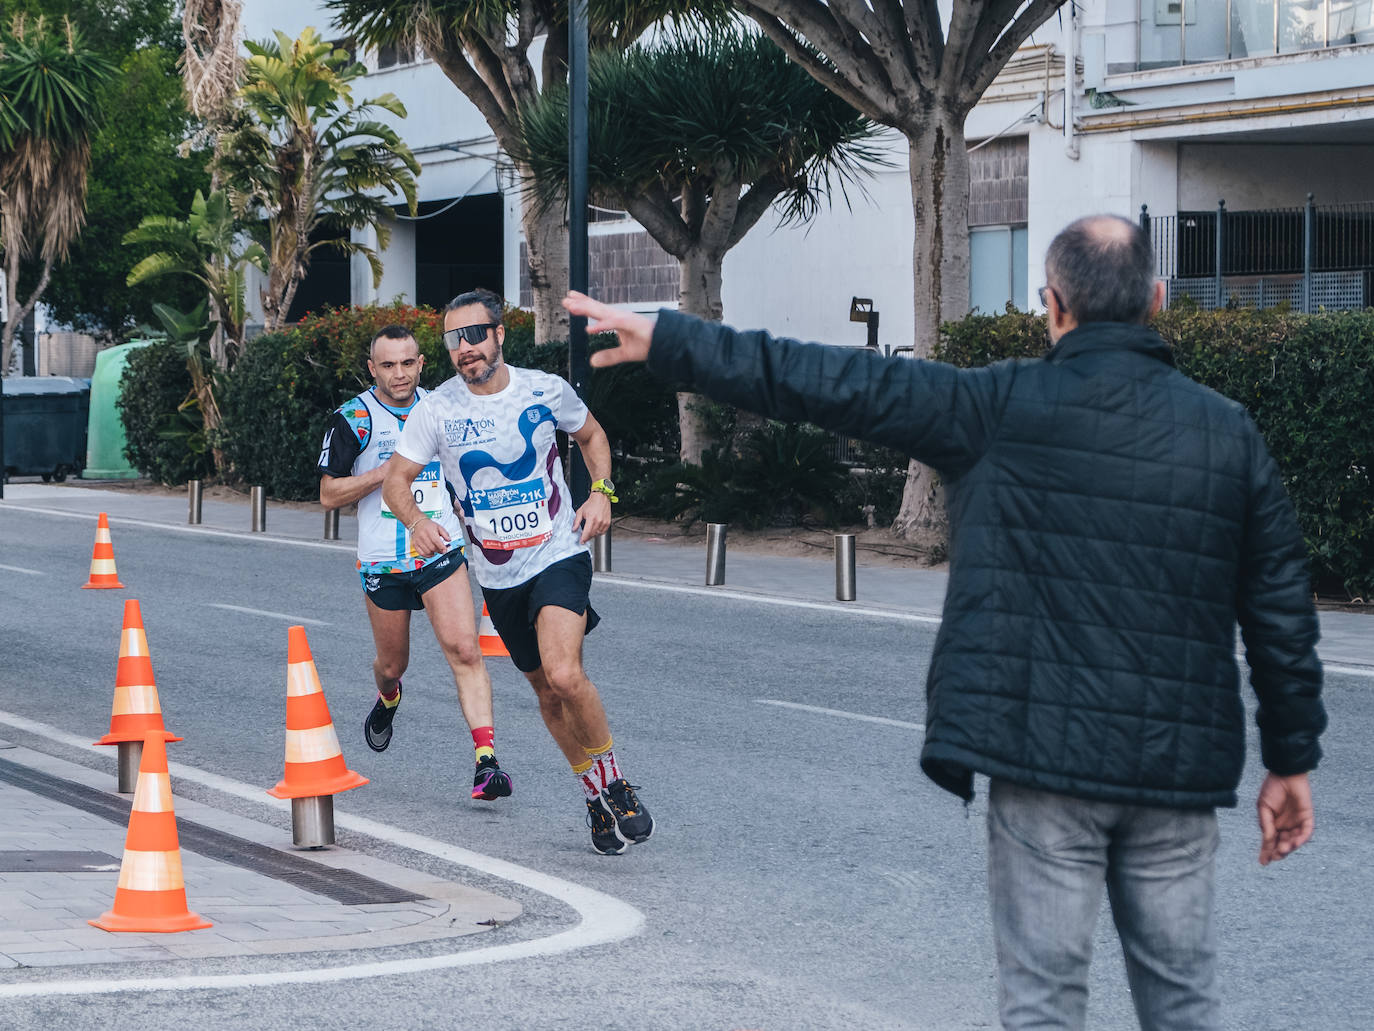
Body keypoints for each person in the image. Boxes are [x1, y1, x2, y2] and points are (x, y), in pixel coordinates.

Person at [564, 214, 1327, 1029]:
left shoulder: (992, 404)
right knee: (1183, 1002)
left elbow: (835, 381)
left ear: (1053, 305)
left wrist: (678, 341)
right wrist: (1290, 760)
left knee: (1043, 1002)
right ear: (1158, 300)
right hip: (1177, 770)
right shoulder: (1226, 431)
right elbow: (1281, 609)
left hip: (1038, 762)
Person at [382, 289, 654, 856]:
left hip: (559, 551)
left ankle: (616, 782)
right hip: (498, 575)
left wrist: (601, 492)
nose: (465, 349)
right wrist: (414, 522)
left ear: (500, 334)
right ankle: (591, 795)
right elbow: (395, 481)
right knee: (546, 696)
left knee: (563, 674)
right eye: (454, 339)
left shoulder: (544, 389)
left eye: (475, 334)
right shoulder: (437, 409)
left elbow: (593, 438)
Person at [318, 324, 513, 802]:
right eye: (388, 365)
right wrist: (388, 473)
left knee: (466, 651)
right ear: (372, 368)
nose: (399, 374)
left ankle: (486, 763)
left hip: (438, 552)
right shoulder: (354, 418)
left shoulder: (445, 408)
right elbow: (327, 494)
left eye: (408, 363)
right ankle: (388, 698)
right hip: (383, 562)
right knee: (392, 663)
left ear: (422, 363)